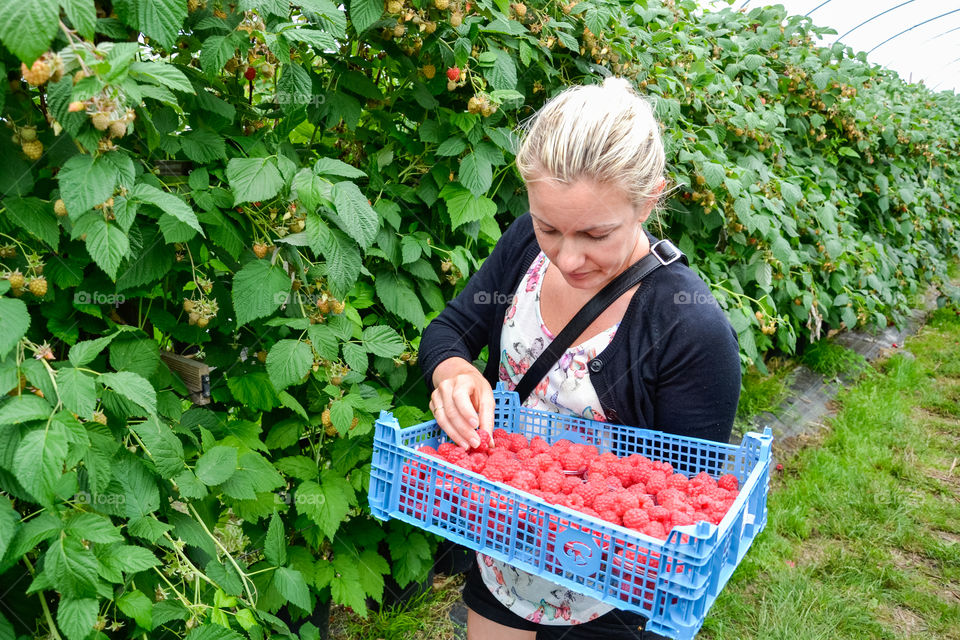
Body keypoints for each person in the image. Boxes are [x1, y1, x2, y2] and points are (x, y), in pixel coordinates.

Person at [417, 77, 741, 640]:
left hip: (611, 595)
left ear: (649, 200)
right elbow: (450, 330)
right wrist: (455, 372)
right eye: (550, 227)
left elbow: (686, 507)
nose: (568, 256)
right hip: (504, 551)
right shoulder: (522, 246)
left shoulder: (690, 329)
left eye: (595, 233)